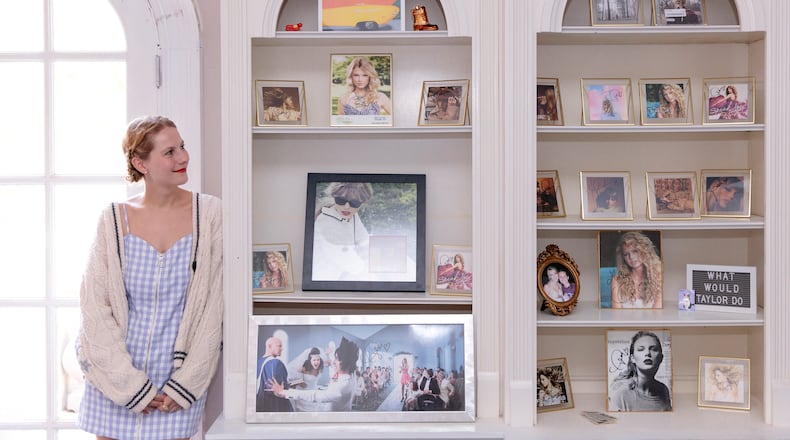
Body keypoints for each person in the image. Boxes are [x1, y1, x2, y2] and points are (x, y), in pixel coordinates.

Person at [76, 116, 224, 440]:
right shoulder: (114, 220)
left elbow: (215, 307)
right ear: (140, 163)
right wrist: (129, 386)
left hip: (176, 387)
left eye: (182, 146)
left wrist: (186, 384)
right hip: (115, 383)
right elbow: (94, 309)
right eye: (169, 152)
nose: (183, 157)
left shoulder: (211, 215)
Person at [272, 337, 360, 412]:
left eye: (336, 359)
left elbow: (314, 396)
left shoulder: (340, 388)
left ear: (346, 363)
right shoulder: (351, 375)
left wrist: (284, 392)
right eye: (314, 359)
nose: (333, 362)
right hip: (330, 405)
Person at [311, 182, 374, 280]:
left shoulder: (350, 214)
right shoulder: (327, 222)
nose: (347, 206)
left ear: (362, 203)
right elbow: (350, 263)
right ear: (334, 197)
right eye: (340, 200)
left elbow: (365, 243)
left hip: (341, 277)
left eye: (354, 203)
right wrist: (374, 272)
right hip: (325, 282)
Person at [608, 331, 672, 412]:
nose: (648, 353)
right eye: (641, 349)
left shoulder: (664, 390)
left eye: (653, 349)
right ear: (632, 358)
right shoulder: (621, 394)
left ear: (661, 358)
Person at [610, 231, 663, 309]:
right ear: (623, 258)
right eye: (626, 254)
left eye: (635, 251)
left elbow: (658, 315)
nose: (631, 257)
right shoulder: (617, 281)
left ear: (645, 251)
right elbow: (616, 316)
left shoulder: (659, 277)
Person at [256, 336, 293, 412]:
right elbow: (279, 388)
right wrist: (290, 385)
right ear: (269, 346)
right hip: (275, 404)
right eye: (279, 346)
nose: (282, 349)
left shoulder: (258, 362)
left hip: (261, 403)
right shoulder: (276, 363)